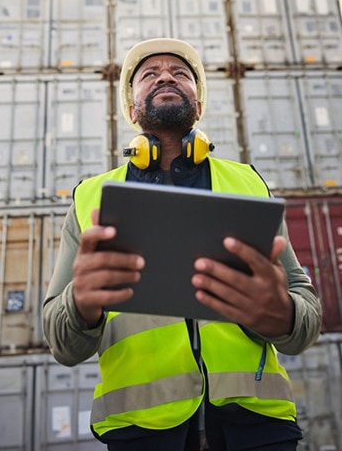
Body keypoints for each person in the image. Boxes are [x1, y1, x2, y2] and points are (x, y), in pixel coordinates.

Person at [42, 38, 322, 450]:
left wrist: (280, 314)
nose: (166, 77)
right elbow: (61, 343)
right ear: (133, 109)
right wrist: (82, 304)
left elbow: (306, 320)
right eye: (149, 75)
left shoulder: (247, 182)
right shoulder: (91, 198)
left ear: (199, 105)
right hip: (142, 431)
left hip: (259, 428)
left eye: (181, 74)